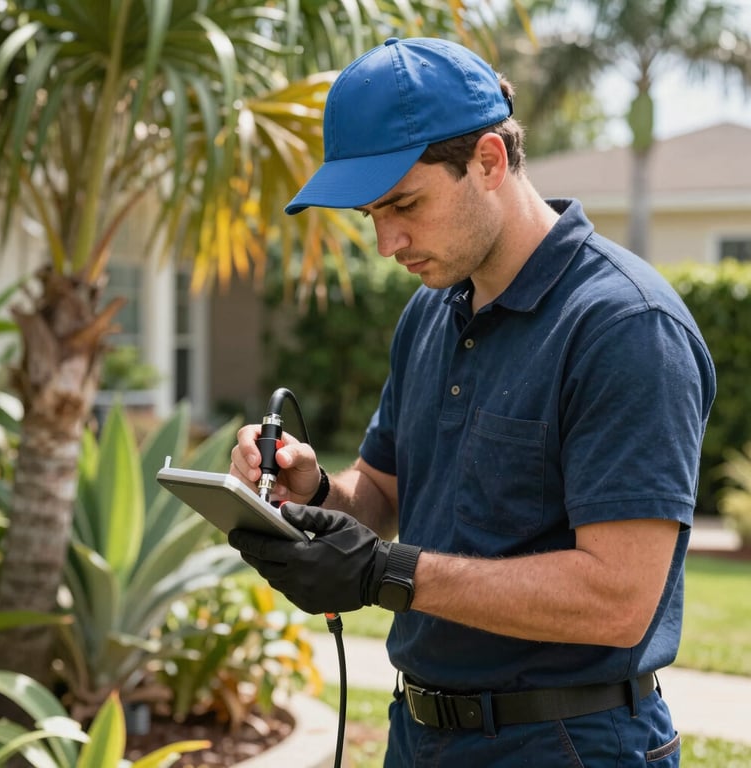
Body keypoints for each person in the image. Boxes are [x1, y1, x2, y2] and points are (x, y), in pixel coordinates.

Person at [228, 37, 716, 767]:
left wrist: (385, 573)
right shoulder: (429, 314)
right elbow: (382, 494)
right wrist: (317, 490)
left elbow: (619, 599)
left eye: (405, 204)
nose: (388, 241)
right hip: (416, 731)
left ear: (489, 160)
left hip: (567, 744)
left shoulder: (623, 326)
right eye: (371, 214)